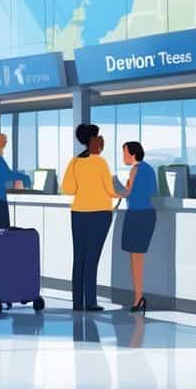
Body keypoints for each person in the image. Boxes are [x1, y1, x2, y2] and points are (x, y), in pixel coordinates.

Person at [62, 123, 117, 312]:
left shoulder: (75, 162)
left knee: (79, 258)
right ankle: (91, 301)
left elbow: (68, 188)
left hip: (78, 213)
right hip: (100, 214)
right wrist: (124, 192)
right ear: (93, 140)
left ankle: (77, 302)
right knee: (92, 258)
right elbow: (111, 190)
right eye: (99, 136)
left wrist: (85, 187)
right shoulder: (100, 162)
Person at [117, 140, 157, 313]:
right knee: (137, 257)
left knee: (136, 258)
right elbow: (151, 191)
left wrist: (113, 184)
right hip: (147, 214)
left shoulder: (135, 169)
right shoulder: (149, 169)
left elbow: (127, 193)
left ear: (132, 154)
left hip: (137, 215)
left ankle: (138, 298)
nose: (123, 157)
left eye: (124, 153)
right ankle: (138, 296)